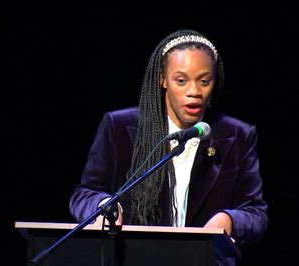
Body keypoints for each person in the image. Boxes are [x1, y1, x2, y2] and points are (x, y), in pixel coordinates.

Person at [69, 29, 268, 264]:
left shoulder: (237, 135)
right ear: (162, 79)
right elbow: (84, 195)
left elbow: (256, 213)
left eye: (204, 81)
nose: (194, 92)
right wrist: (103, 207)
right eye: (181, 80)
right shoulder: (119, 127)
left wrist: (229, 220)